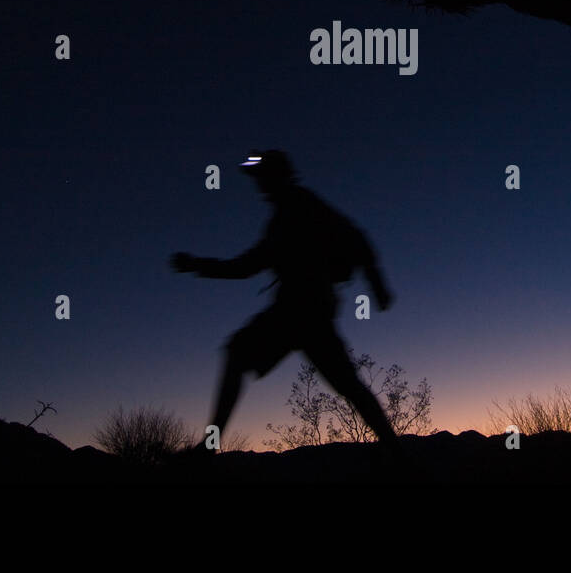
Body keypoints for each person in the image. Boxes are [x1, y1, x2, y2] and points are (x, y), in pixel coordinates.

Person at [170, 149, 402, 454]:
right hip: (301, 311)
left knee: (243, 356)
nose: (259, 186)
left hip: (304, 310)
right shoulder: (281, 219)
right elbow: (246, 266)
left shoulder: (302, 205)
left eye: (262, 177)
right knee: (346, 385)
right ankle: (396, 452)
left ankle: (209, 446)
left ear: (276, 177)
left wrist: (377, 284)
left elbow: (354, 236)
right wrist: (199, 265)